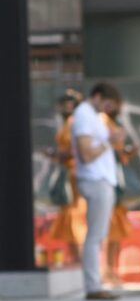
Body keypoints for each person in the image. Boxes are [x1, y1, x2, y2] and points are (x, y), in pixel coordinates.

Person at [72, 83, 125, 301]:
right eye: (108, 104)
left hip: (100, 179)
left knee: (97, 235)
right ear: (98, 96)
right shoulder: (84, 114)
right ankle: (93, 286)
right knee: (95, 236)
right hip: (95, 179)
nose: (108, 109)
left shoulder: (92, 116)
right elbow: (86, 153)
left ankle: (95, 284)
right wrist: (108, 142)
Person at [102, 94, 138, 285]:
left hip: (116, 178)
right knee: (109, 228)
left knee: (117, 229)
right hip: (107, 180)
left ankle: (112, 269)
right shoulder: (102, 122)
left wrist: (126, 153)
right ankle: (106, 270)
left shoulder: (113, 123)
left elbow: (117, 155)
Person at [45, 89, 82, 265]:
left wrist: (59, 154)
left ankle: (81, 259)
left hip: (75, 176)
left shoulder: (76, 123)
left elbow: (77, 149)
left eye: (70, 103)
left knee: (75, 216)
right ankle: (76, 258)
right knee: (68, 217)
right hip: (67, 174)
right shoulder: (67, 124)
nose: (67, 106)